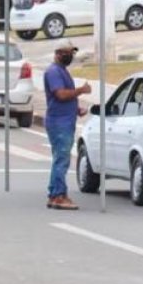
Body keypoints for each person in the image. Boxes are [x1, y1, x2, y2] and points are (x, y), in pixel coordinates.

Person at [43, 40, 90, 210]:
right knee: (62, 160)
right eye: (67, 53)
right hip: (59, 122)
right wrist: (81, 90)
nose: (70, 56)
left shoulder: (62, 71)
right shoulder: (54, 72)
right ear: (58, 53)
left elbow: (63, 98)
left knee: (60, 159)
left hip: (65, 120)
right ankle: (58, 195)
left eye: (72, 53)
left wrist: (76, 109)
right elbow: (61, 95)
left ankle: (54, 193)